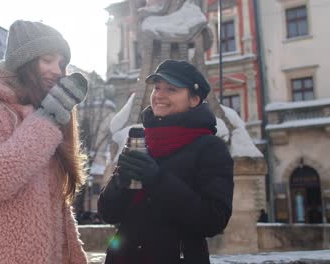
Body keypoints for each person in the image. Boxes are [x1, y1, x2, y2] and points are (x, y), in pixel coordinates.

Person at [0, 20, 88, 263]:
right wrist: (47, 118)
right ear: (25, 60)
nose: (57, 70)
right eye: (47, 60)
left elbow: (59, 211)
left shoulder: (41, 107)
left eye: (62, 63)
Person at [98, 60, 234, 264]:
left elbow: (213, 220)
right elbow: (108, 213)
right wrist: (120, 182)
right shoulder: (141, 141)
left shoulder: (210, 148)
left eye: (171, 89)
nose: (159, 95)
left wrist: (157, 180)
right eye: (157, 87)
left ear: (194, 99)